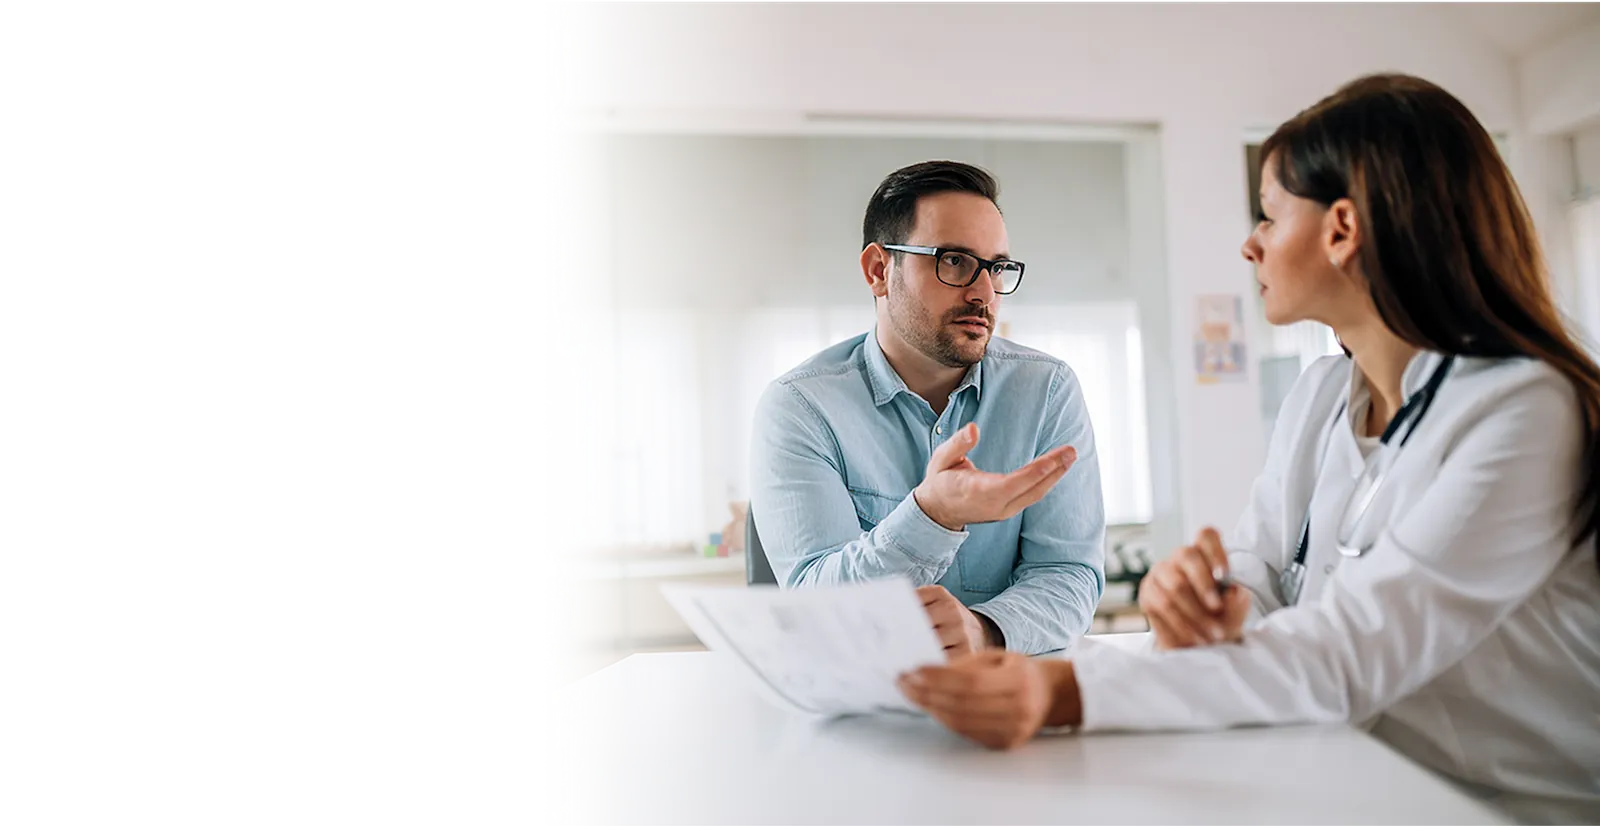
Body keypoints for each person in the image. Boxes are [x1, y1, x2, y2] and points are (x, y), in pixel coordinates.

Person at [897, 74, 1600, 826]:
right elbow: (1259, 576)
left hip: (1511, 806)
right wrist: (1207, 606)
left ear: (1342, 229)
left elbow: (1349, 653)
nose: (1250, 242)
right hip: (1342, 771)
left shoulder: (1523, 410)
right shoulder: (1324, 397)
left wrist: (1064, 692)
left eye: (1267, 215)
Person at [748, 160, 1106, 657]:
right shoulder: (802, 407)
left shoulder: (1046, 390)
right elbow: (816, 605)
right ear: (878, 271)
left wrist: (983, 630)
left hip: (1009, 699)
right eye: (955, 261)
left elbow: (1069, 575)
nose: (983, 292)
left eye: (997, 267)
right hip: (861, 705)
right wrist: (931, 515)